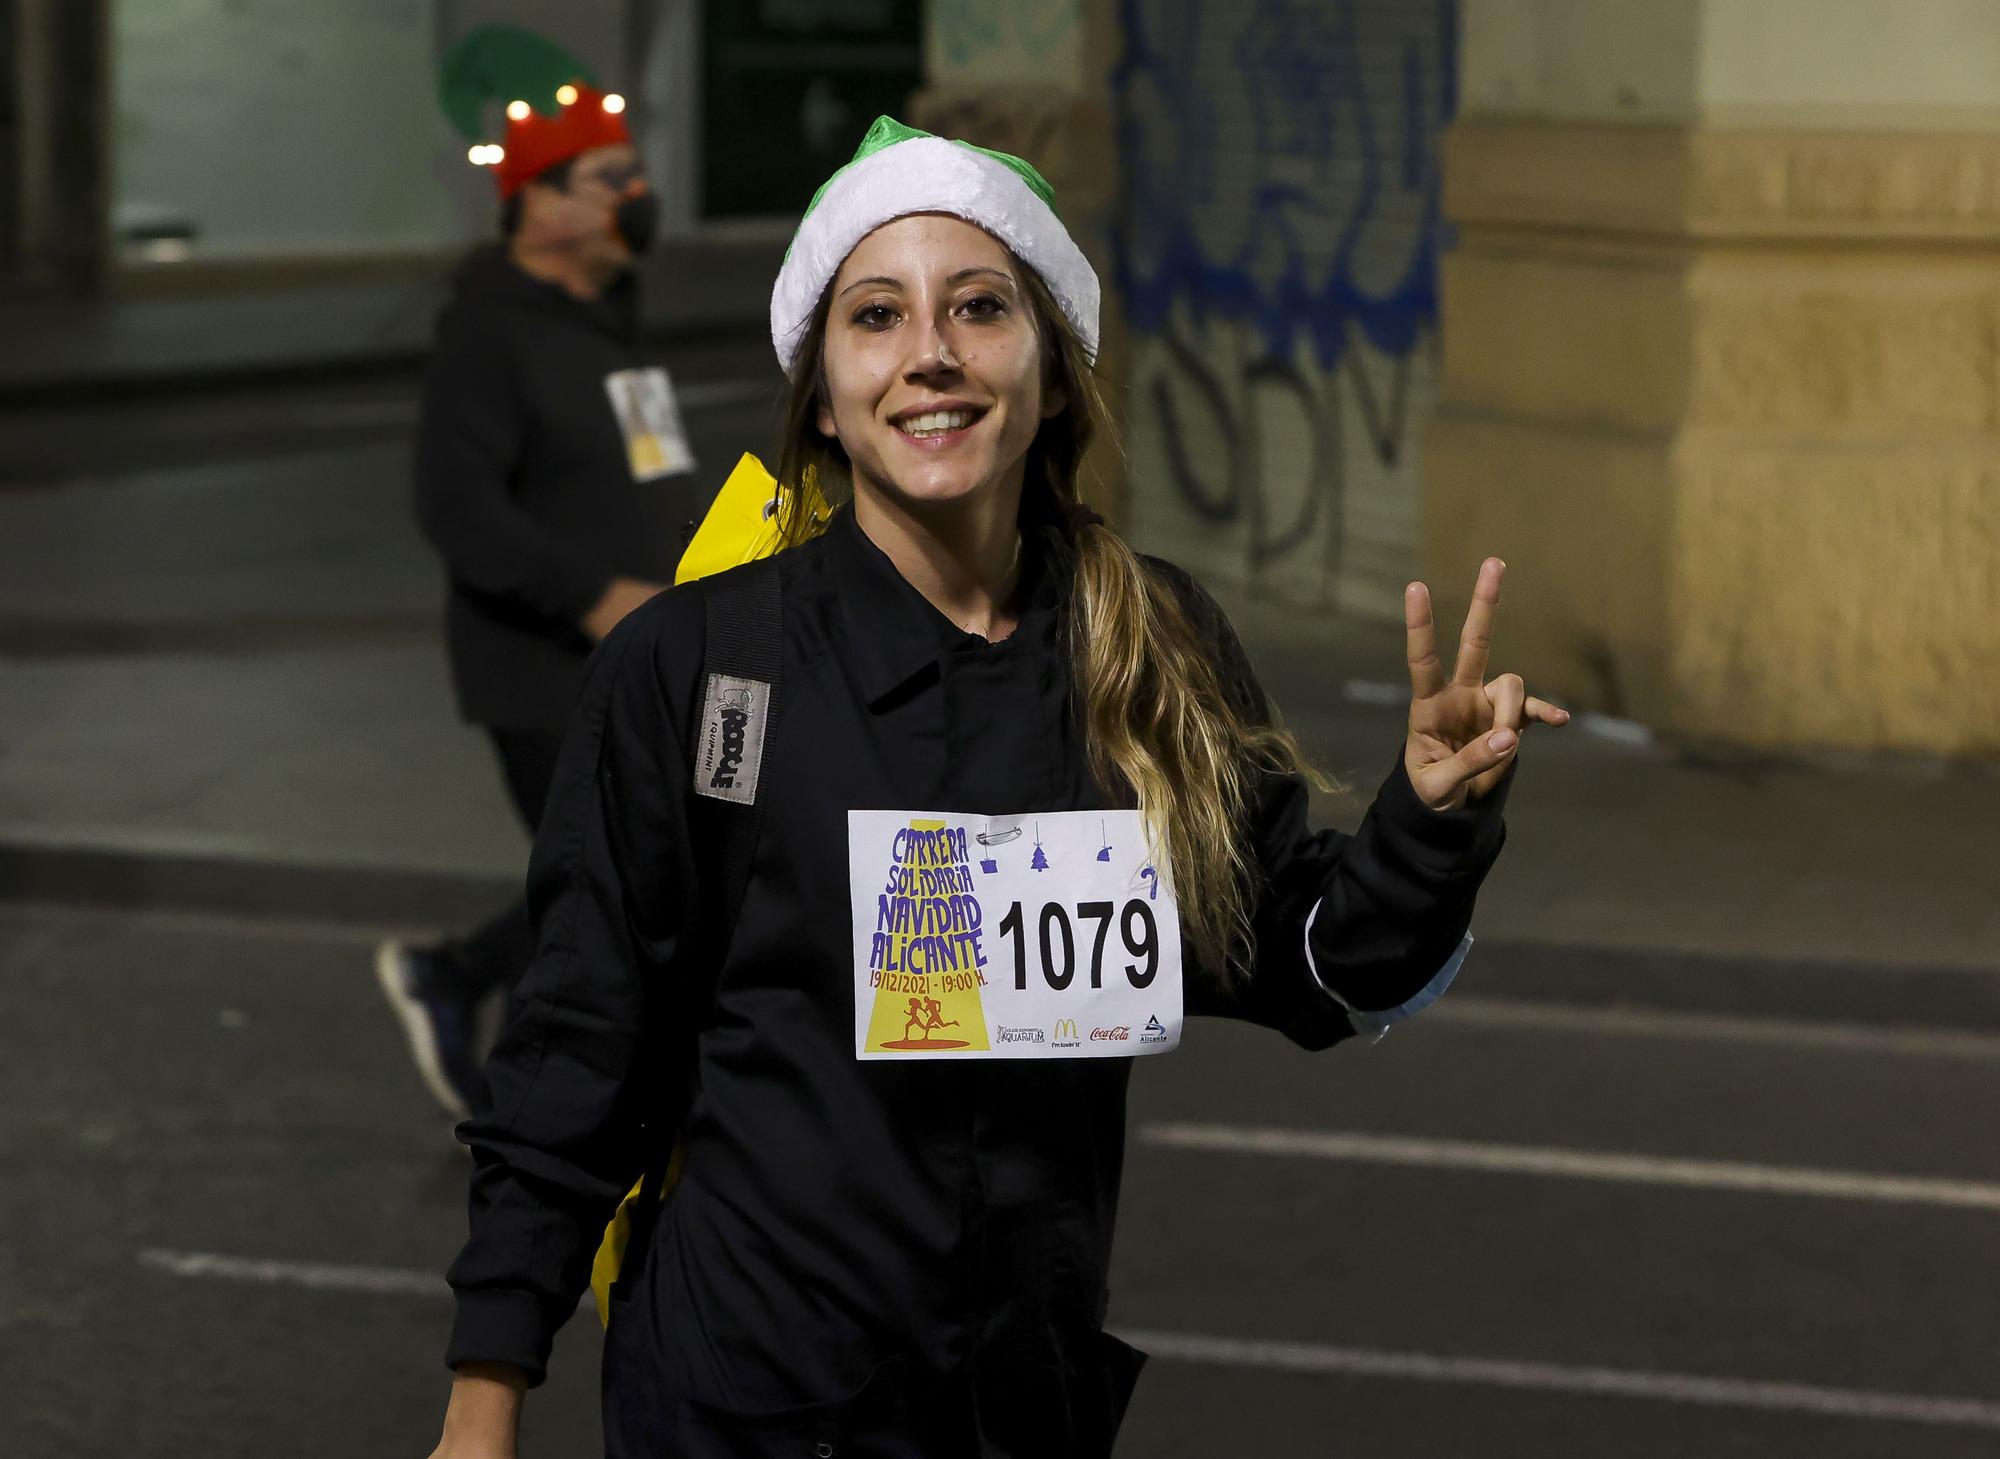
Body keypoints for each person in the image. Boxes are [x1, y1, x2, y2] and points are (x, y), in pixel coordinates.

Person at [423, 116, 1571, 1458]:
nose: (931, 354)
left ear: (1054, 371)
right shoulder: (696, 664)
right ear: (823, 388)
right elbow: (580, 1043)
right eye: (876, 315)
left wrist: (1428, 817)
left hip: (1017, 1407)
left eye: (979, 306)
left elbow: (1311, 962)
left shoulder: (1155, 642)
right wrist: (484, 1396)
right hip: (742, 1402)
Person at [377, 56, 701, 1121]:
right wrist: (595, 592)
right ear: (540, 204)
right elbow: (458, 510)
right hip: (542, 669)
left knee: (620, 885)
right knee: (625, 878)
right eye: (610, 177)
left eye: (634, 173)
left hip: (639, 659)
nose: (635, 195)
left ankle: (516, 1057)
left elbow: (648, 470)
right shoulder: (487, 333)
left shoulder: (604, 318)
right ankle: (461, 980)